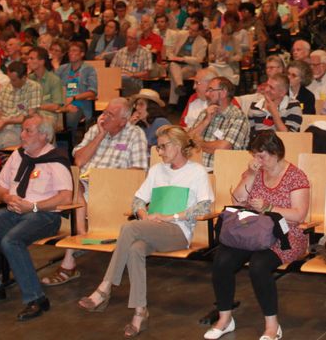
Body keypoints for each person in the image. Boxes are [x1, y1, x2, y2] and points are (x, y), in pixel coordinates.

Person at [77, 125, 214, 337]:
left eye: (162, 147)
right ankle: (140, 313)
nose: (159, 152)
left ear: (177, 146)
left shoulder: (196, 171)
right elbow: (138, 200)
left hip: (178, 232)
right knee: (134, 249)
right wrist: (143, 215)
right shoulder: (157, 170)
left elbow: (205, 206)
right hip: (151, 227)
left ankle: (105, 287)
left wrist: (169, 217)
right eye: (157, 148)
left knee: (129, 228)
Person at [0, 114, 73, 321]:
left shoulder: (56, 159)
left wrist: (33, 206)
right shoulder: (18, 155)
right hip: (13, 211)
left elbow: (66, 197)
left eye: (28, 131)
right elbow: (0, 190)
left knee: (11, 241)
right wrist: (9, 197)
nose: (22, 135)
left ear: (44, 135)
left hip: (44, 215)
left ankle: (36, 298)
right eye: (22, 130)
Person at [205, 132, 310, 340]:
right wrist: (251, 175)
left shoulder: (296, 176)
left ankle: (272, 326)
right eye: (255, 156)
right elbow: (237, 199)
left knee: (259, 265)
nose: (257, 161)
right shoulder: (256, 171)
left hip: (285, 235)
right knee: (222, 260)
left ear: (276, 153)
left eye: (262, 156)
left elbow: (299, 215)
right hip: (253, 232)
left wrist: (270, 206)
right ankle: (225, 319)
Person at [42, 97, 148, 285]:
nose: (104, 117)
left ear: (123, 120)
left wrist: (105, 180)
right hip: (85, 187)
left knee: (76, 191)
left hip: (114, 190)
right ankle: (82, 234)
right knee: (74, 186)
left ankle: (70, 261)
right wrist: (100, 135)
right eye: (104, 112)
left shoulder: (135, 134)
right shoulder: (95, 130)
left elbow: (138, 172)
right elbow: (80, 161)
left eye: (110, 115)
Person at [186, 76, 250, 169]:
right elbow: (186, 141)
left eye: (211, 90)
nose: (207, 94)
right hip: (196, 169)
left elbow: (223, 148)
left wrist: (198, 143)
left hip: (222, 172)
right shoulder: (205, 113)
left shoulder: (238, 117)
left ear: (223, 92)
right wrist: (205, 121)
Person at [0, 61, 43, 150]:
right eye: (10, 79)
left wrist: (6, 121)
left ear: (24, 78)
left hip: (19, 128)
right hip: (0, 126)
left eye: (14, 80)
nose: (11, 82)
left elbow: (29, 115)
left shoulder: (34, 87)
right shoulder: (5, 87)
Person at [55, 40, 98, 132]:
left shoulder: (89, 69)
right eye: (70, 51)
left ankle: (70, 141)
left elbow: (92, 92)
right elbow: (54, 85)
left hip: (79, 104)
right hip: (63, 102)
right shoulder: (62, 69)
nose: (71, 53)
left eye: (74, 50)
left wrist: (73, 98)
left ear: (82, 53)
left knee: (69, 117)